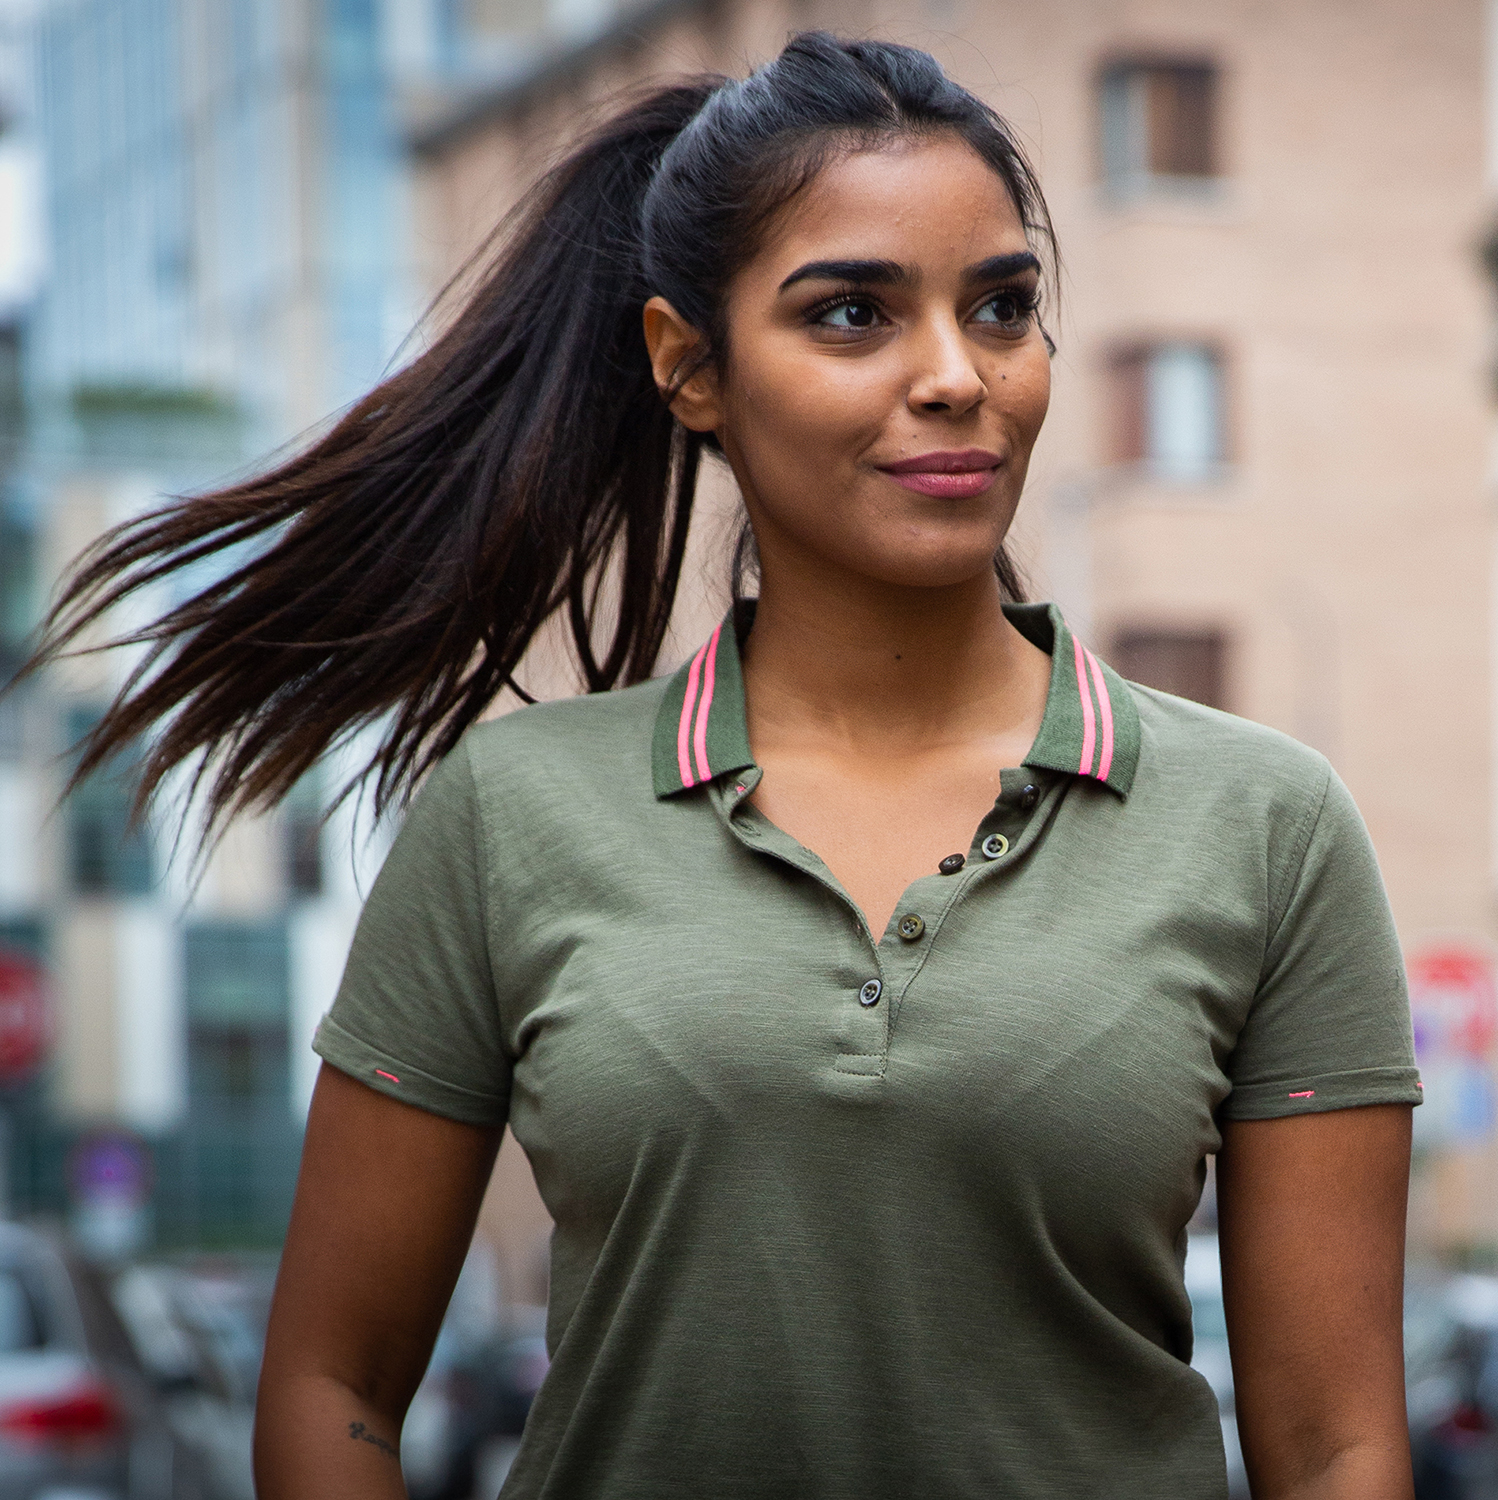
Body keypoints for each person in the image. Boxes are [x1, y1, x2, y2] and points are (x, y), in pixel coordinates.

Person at [33, 33, 1420, 1500]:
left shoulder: (1264, 826)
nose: (956, 377)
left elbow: (1335, 1441)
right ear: (688, 366)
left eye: (1001, 306)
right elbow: (330, 1386)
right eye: (850, 317)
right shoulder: (511, 819)